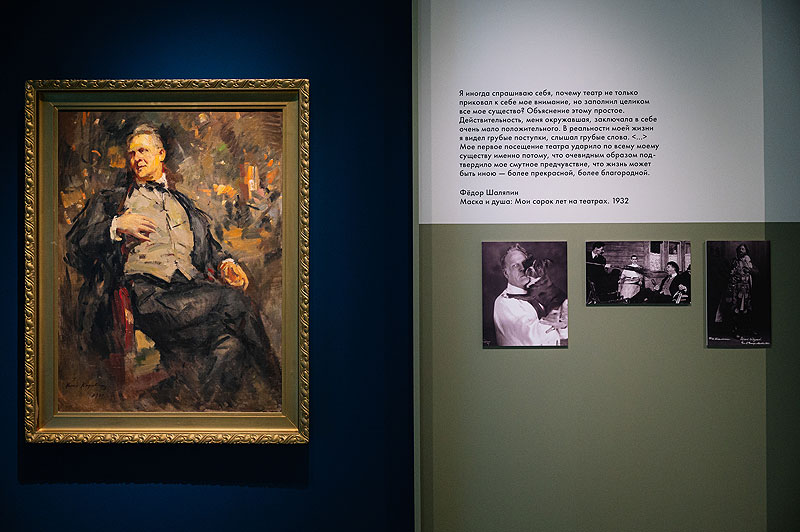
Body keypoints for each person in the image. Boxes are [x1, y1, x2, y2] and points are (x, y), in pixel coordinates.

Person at [65, 124, 281, 410]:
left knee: (230, 345)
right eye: (132, 153)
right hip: (149, 298)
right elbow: (74, 246)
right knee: (235, 302)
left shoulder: (184, 203)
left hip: (190, 294)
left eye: (143, 151)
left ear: (161, 154)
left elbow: (209, 247)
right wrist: (116, 225)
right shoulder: (113, 201)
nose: (137, 158)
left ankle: (199, 416)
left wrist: (226, 263)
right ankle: (281, 388)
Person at [493, 244, 564, 346]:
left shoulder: (538, 293)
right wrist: (558, 320)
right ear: (506, 273)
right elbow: (533, 339)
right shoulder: (504, 303)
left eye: (524, 263)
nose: (522, 268)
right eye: (515, 265)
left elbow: (564, 335)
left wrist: (563, 325)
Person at [716, 244, 758, 336]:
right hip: (735, 289)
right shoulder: (734, 262)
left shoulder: (749, 262)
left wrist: (749, 270)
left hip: (747, 290)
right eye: (740, 249)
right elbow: (728, 273)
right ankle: (735, 330)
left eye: (743, 249)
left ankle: (747, 330)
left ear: (746, 251)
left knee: (747, 310)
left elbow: (756, 272)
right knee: (735, 309)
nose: (741, 250)